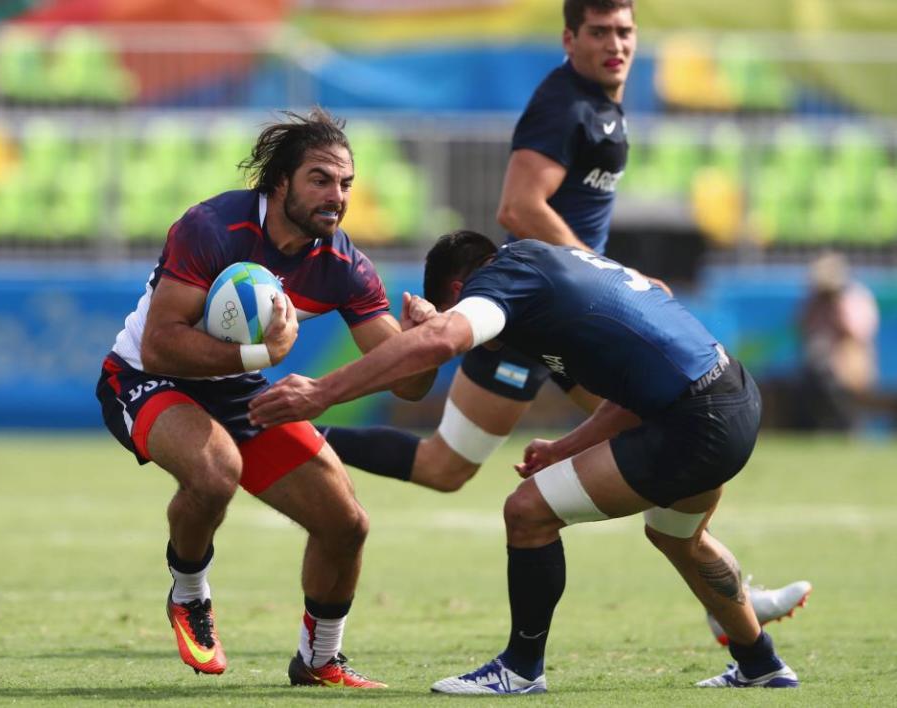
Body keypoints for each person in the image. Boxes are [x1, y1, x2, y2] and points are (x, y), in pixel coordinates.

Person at [317, 0, 809, 645]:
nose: (616, 44)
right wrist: (603, 277)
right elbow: (520, 208)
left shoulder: (602, 104)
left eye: (625, 31)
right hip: (541, 316)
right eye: (599, 32)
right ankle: (297, 433)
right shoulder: (566, 104)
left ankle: (729, 606)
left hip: (561, 319)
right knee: (462, 463)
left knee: (659, 433)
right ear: (568, 38)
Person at [249, 231, 803, 693]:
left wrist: (320, 392)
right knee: (679, 537)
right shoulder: (551, 267)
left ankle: (519, 669)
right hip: (730, 395)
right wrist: (566, 447)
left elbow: (444, 337)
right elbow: (635, 381)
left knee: (527, 513)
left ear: (461, 290)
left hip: (695, 422)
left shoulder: (504, 281)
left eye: (454, 304)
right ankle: (761, 664)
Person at [95, 108, 433, 688]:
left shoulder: (344, 265)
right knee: (215, 472)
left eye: (346, 183)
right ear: (281, 182)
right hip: (143, 378)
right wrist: (262, 357)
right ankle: (189, 595)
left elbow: (406, 381)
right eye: (320, 180)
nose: (337, 196)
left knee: (345, 522)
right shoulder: (212, 227)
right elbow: (159, 346)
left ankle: (320, 659)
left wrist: (429, 342)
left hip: (238, 390)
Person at [795, 252, 880, 431]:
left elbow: (859, 335)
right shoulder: (815, 301)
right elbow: (805, 330)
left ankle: (848, 427)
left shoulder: (856, 297)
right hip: (819, 365)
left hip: (851, 362)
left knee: (834, 378)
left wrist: (838, 311)